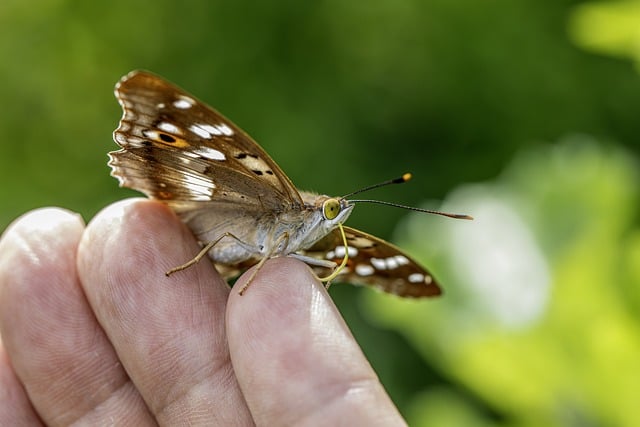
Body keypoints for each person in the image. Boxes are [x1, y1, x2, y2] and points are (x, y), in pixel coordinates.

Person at [0, 199, 406, 425]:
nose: (337, 221)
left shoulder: (318, 236)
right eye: (333, 212)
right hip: (209, 232)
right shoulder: (287, 205)